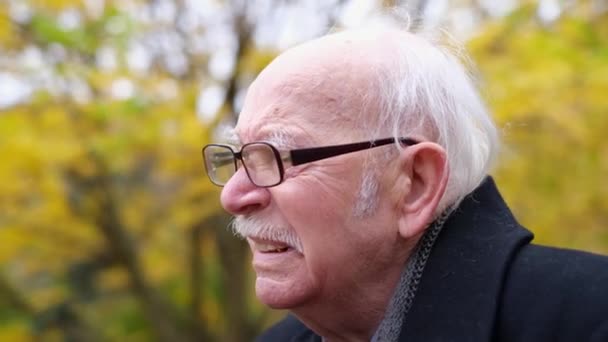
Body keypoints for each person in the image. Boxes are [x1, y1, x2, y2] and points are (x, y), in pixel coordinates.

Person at [201, 18, 608, 342]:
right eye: (239, 157)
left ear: (414, 184)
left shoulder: (589, 318)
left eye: (276, 156)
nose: (235, 196)